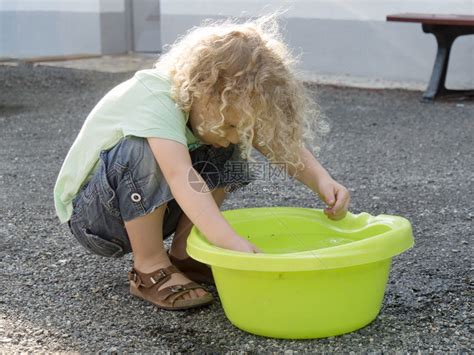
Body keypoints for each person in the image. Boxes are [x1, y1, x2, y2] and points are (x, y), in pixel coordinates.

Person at [53, 15, 350, 311]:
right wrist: (226, 238)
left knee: (227, 147)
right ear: (202, 91)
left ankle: (185, 255)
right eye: (233, 123)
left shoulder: (211, 112)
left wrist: (321, 180)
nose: (235, 133)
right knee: (142, 148)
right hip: (96, 219)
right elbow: (180, 175)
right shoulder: (154, 97)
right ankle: (149, 267)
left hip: (149, 208)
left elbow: (278, 143)